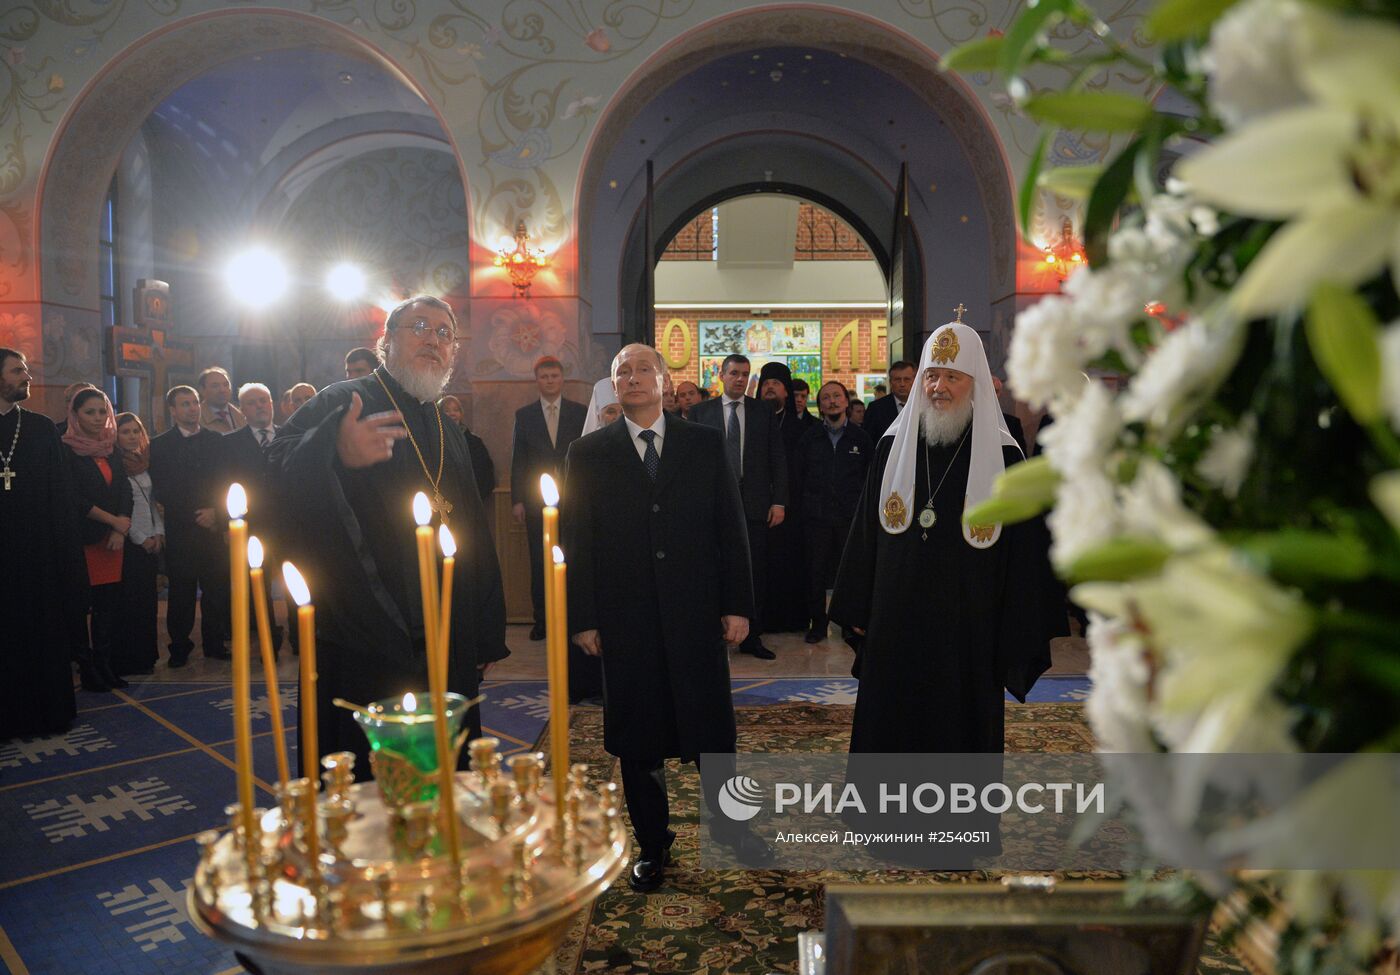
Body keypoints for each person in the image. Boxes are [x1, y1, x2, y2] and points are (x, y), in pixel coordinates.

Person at [268, 295, 508, 781]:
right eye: (418, 326)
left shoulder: (448, 428)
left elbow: (473, 531)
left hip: (448, 631)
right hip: (366, 627)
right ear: (386, 342)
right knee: (372, 779)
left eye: (444, 332)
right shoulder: (344, 399)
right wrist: (332, 451)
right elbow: (273, 470)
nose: (433, 339)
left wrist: (484, 631)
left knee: (447, 769)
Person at [562, 343, 769, 893]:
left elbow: (731, 528)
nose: (633, 378)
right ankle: (653, 846)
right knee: (638, 739)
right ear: (612, 386)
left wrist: (738, 604)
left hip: (695, 613)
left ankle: (734, 829)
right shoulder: (587, 454)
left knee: (712, 735)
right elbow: (576, 543)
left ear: (665, 379)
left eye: (643, 369)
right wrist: (582, 618)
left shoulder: (703, 444)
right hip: (624, 619)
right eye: (621, 371)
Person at [830, 323, 1067, 756]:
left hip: (968, 628)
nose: (938, 387)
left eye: (951, 377)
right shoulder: (890, 447)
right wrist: (858, 603)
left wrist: (1013, 627)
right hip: (895, 619)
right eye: (931, 375)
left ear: (975, 384)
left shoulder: (1006, 457)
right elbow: (866, 532)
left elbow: (1022, 557)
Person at [0, 348, 83, 735]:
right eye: (18, 371)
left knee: (40, 633)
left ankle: (46, 713)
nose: (27, 376)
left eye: (27, 370)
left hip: (38, 555)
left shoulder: (39, 427)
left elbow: (60, 495)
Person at [687, 354, 788, 659]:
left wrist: (779, 500)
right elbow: (690, 464)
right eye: (734, 373)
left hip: (755, 503)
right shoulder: (699, 412)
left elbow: (777, 459)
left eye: (745, 374)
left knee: (754, 570)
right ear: (721, 375)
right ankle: (713, 634)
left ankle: (752, 638)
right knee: (713, 568)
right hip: (713, 504)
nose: (740, 379)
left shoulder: (762, 412)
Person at [149, 384, 230, 666]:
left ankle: (215, 643)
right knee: (181, 593)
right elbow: (161, 488)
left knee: (216, 590)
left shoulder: (218, 441)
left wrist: (216, 513)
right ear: (173, 410)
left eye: (194, 402)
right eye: (184, 404)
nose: (192, 408)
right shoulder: (159, 445)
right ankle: (179, 646)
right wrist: (194, 514)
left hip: (212, 529)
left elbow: (226, 483)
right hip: (180, 530)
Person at [509, 356, 586, 641]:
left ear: (562, 379)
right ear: (537, 380)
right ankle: (542, 620)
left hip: (574, 498)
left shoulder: (580, 412)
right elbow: (519, 459)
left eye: (554, 376)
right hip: (535, 501)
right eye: (545, 377)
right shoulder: (524, 415)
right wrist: (517, 499)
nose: (550, 381)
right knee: (539, 561)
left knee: (574, 557)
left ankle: (572, 618)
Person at [63, 388, 133, 691]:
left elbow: (125, 491)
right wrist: (111, 521)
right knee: (81, 608)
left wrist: (120, 529)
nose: (97, 418)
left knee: (107, 609)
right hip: (85, 539)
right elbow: (73, 498)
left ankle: (105, 665)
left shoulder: (111, 448)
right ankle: (87, 668)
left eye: (102, 412)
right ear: (75, 414)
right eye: (90, 412)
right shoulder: (65, 449)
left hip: (113, 541)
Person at [797, 381, 872, 643]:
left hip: (849, 519)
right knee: (815, 574)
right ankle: (818, 624)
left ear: (846, 402)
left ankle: (849, 623)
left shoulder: (861, 439)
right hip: (816, 518)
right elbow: (799, 477)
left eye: (836, 396)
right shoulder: (809, 437)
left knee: (850, 573)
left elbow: (868, 479)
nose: (832, 401)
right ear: (820, 405)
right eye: (826, 397)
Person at [223, 382, 284, 654]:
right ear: (243, 409)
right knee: (256, 584)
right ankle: (268, 638)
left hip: (287, 523)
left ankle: (300, 640)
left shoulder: (289, 436)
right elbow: (223, 484)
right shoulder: (230, 443)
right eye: (253, 402)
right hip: (251, 524)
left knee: (298, 576)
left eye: (264, 400)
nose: (260, 406)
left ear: (272, 404)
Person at [754, 361, 809, 633]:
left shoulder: (803, 427)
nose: (769, 388)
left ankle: (792, 619)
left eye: (775, 383)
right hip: (756, 508)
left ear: (786, 391)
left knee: (789, 564)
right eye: (765, 383)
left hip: (793, 510)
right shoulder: (750, 422)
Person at [112, 412, 163, 677]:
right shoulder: (116, 466)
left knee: (147, 602)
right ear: (115, 436)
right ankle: (129, 657)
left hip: (151, 539)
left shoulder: (145, 462)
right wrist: (141, 538)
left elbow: (152, 503)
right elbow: (123, 508)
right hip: (132, 542)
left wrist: (158, 533)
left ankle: (146, 656)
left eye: (135, 431)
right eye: (125, 432)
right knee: (130, 602)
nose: (132, 436)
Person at [438, 394, 496, 503]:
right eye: (447, 411)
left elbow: (485, 472)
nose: (452, 414)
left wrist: (477, 497)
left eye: (456, 410)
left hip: (469, 499)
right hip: (442, 499)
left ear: (461, 413)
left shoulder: (474, 442)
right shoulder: (435, 440)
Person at [861, 360, 916, 441]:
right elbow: (867, 440)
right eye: (897, 380)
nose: (902, 384)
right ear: (890, 383)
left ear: (915, 381)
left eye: (907, 379)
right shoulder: (876, 409)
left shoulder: (924, 406)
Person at [198, 367, 247, 435]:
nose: (222, 390)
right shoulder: (195, 417)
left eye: (226, 385)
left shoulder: (242, 416)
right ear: (202, 390)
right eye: (215, 386)